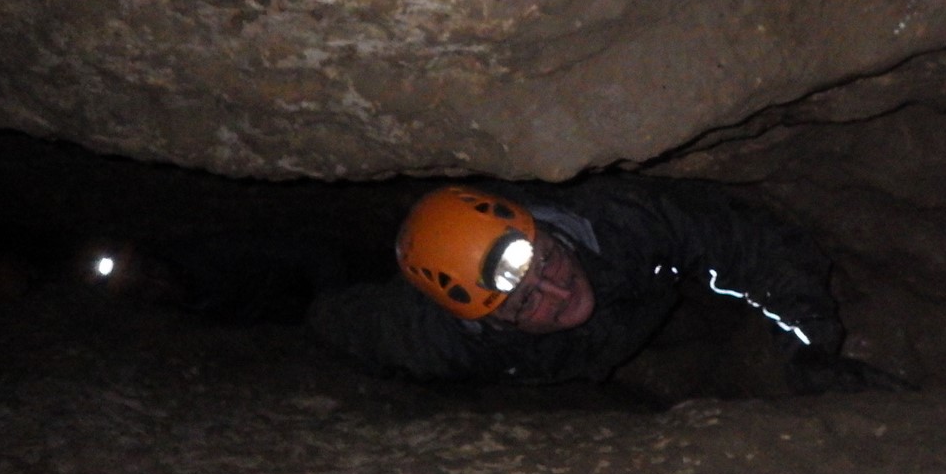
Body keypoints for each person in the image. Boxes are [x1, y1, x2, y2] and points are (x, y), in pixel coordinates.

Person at [307, 176, 912, 394]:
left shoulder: (622, 225)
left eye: (546, 260)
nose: (558, 292)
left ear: (548, 229)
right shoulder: (436, 340)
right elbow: (346, 326)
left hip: (643, 313)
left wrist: (807, 347)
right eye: (524, 301)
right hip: (586, 350)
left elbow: (747, 245)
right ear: (490, 323)